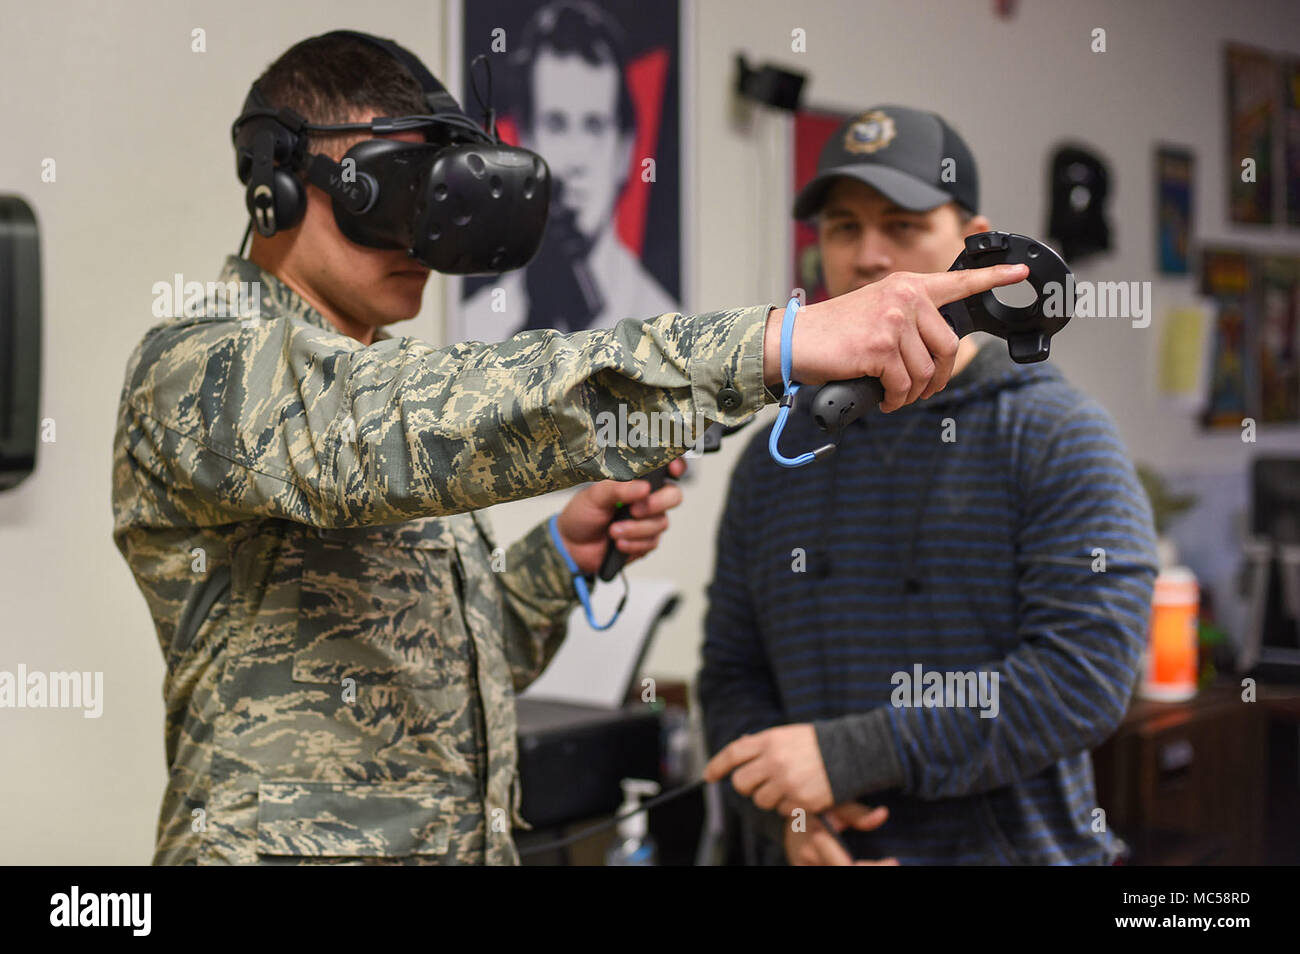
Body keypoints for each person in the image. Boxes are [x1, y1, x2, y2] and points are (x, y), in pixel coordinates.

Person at [111, 38, 1025, 866]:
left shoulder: (386, 379)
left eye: (442, 200)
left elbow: (449, 671)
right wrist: (776, 343)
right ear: (275, 179)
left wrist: (558, 561)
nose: (424, 236)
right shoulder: (203, 365)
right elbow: (387, 427)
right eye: (397, 194)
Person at [700, 105, 1158, 865]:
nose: (869, 255)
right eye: (844, 228)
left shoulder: (1057, 435)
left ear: (972, 242)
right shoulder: (776, 457)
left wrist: (848, 754)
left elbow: (1085, 675)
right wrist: (786, 811)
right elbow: (731, 675)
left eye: (903, 224)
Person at [460, 0, 677, 340]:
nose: (576, 158)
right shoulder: (474, 328)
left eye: (594, 126)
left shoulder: (668, 328)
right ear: (526, 140)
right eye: (556, 125)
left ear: (624, 147)